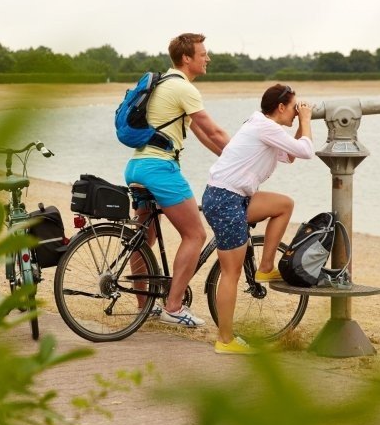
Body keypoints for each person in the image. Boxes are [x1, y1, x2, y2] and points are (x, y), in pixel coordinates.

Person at [124, 33, 231, 327]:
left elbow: (201, 133)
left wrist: (228, 158)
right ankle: (173, 306)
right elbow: (214, 130)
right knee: (195, 235)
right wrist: (244, 157)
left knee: (143, 238)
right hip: (160, 169)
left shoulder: (163, 84)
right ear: (187, 58)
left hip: (137, 165)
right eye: (203, 53)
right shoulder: (183, 88)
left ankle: (144, 308)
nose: (207, 58)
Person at [202, 84, 315, 354]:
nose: (295, 112)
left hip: (234, 197)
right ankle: (225, 341)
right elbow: (307, 151)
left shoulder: (264, 126)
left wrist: (300, 123)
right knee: (231, 273)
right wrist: (308, 120)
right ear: (280, 107)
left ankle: (265, 266)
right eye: (293, 107)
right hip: (224, 199)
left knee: (284, 205)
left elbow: (291, 155)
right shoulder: (266, 128)